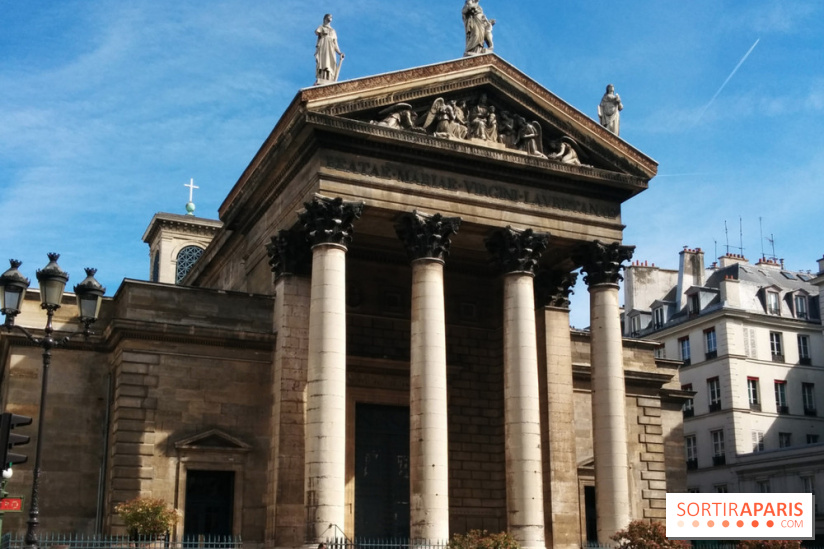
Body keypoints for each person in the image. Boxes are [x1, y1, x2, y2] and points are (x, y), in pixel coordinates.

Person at [315, 14, 344, 84]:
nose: (331, 17)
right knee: (324, 62)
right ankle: (322, 77)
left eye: (331, 17)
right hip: (324, 45)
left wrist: (339, 52)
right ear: (325, 18)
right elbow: (316, 32)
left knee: (331, 62)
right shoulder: (321, 27)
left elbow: (335, 43)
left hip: (331, 47)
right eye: (329, 16)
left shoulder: (333, 31)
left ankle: (329, 78)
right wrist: (323, 32)